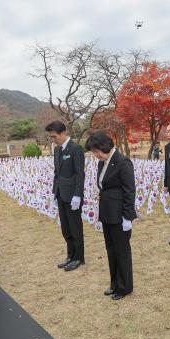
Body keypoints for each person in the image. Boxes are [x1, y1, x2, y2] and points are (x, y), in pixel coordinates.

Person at [86, 131, 137, 301]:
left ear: (104, 147)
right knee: (111, 250)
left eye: (96, 151)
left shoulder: (123, 163)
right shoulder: (103, 162)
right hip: (107, 213)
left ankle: (125, 287)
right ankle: (114, 283)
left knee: (122, 251)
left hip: (120, 215)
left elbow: (129, 191)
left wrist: (127, 217)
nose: (95, 155)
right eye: (93, 152)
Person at [46, 121, 85, 271]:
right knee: (66, 228)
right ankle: (70, 256)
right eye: (51, 137)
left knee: (75, 228)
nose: (53, 139)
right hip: (61, 194)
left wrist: (77, 195)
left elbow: (79, 174)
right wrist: (54, 192)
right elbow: (57, 173)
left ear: (63, 133)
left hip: (73, 196)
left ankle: (78, 258)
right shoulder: (57, 150)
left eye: (54, 136)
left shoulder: (75, 149)